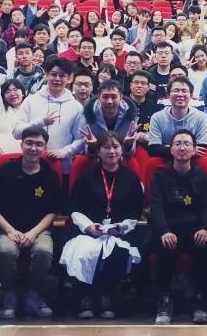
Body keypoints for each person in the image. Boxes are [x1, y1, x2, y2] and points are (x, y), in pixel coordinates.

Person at [59, 133, 145, 320]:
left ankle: (108, 296)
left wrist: (121, 227)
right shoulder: (86, 176)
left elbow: (136, 210)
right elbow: (74, 208)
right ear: (98, 151)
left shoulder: (131, 179)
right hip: (90, 230)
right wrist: (89, 227)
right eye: (106, 147)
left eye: (115, 147)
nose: (111, 151)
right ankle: (86, 297)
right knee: (84, 251)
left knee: (118, 252)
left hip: (118, 231)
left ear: (122, 150)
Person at [0, 127, 60, 320]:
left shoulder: (50, 175)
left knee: (43, 250)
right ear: (21, 144)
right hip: (7, 229)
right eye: (29, 143)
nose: (33, 148)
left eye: (39, 144)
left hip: (39, 230)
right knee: (6, 251)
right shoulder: (4, 171)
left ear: (44, 148)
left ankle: (33, 296)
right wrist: (10, 230)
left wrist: (33, 233)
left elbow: (52, 212)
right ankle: (9, 294)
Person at [148, 130, 207, 324]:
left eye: (187, 144)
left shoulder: (203, 178)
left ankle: (200, 300)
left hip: (195, 230)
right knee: (163, 245)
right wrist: (164, 231)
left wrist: (205, 228)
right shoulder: (160, 177)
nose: (182, 147)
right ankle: (164, 300)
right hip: (169, 230)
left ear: (194, 150)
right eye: (177, 143)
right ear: (170, 149)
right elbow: (156, 207)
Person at [12, 57, 83, 171]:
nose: (57, 79)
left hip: (62, 165)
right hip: (30, 165)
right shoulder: (31, 100)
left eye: (62, 75)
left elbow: (80, 139)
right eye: (53, 74)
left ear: (69, 78)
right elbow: (16, 133)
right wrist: (40, 122)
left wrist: (63, 152)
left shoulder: (76, 107)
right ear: (46, 75)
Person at [146, 78, 207, 157]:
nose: (180, 94)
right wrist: (187, 149)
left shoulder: (201, 117)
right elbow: (154, 149)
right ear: (168, 95)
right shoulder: (157, 118)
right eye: (176, 90)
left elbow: (202, 148)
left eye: (184, 91)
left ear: (191, 95)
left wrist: (167, 148)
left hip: (193, 159)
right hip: (166, 158)